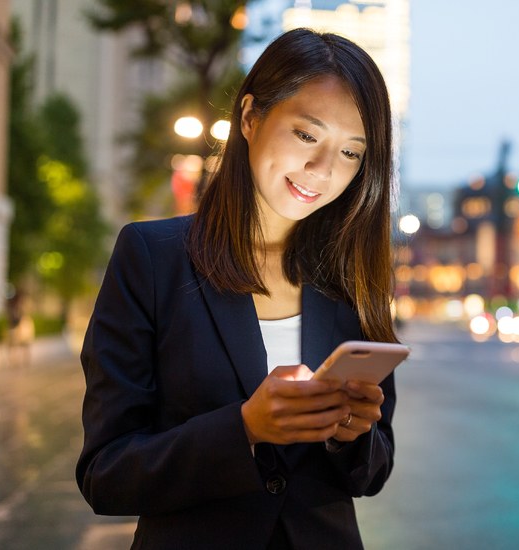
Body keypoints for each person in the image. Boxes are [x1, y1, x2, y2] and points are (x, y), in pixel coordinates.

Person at [76, 28, 398, 549]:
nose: (323, 171)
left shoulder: (351, 276)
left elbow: (374, 472)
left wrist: (353, 435)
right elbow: (106, 474)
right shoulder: (153, 258)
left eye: (352, 153)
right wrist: (244, 428)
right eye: (307, 135)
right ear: (250, 117)